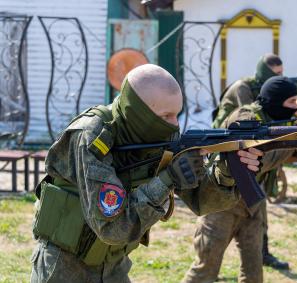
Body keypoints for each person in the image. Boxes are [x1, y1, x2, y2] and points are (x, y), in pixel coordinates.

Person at [30, 64, 263, 283]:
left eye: (177, 114)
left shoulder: (159, 134)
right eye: (165, 116)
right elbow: (112, 228)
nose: (174, 126)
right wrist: (167, 179)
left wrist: (226, 171)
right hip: (65, 266)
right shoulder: (91, 136)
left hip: (114, 266)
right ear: (140, 112)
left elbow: (201, 200)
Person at [183, 77, 297, 283]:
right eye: (291, 102)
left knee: (254, 274)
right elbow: (256, 157)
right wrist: (293, 139)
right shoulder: (245, 117)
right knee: (205, 271)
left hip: (253, 205)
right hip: (222, 204)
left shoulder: (284, 122)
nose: (296, 107)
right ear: (275, 101)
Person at [212, 53, 289, 270]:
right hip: (227, 146)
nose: (279, 77)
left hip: (248, 149)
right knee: (224, 217)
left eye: (282, 74)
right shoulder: (242, 88)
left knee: (258, 203)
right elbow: (252, 122)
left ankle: (262, 253)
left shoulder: (262, 88)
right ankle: (209, 264)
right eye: (276, 74)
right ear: (264, 72)